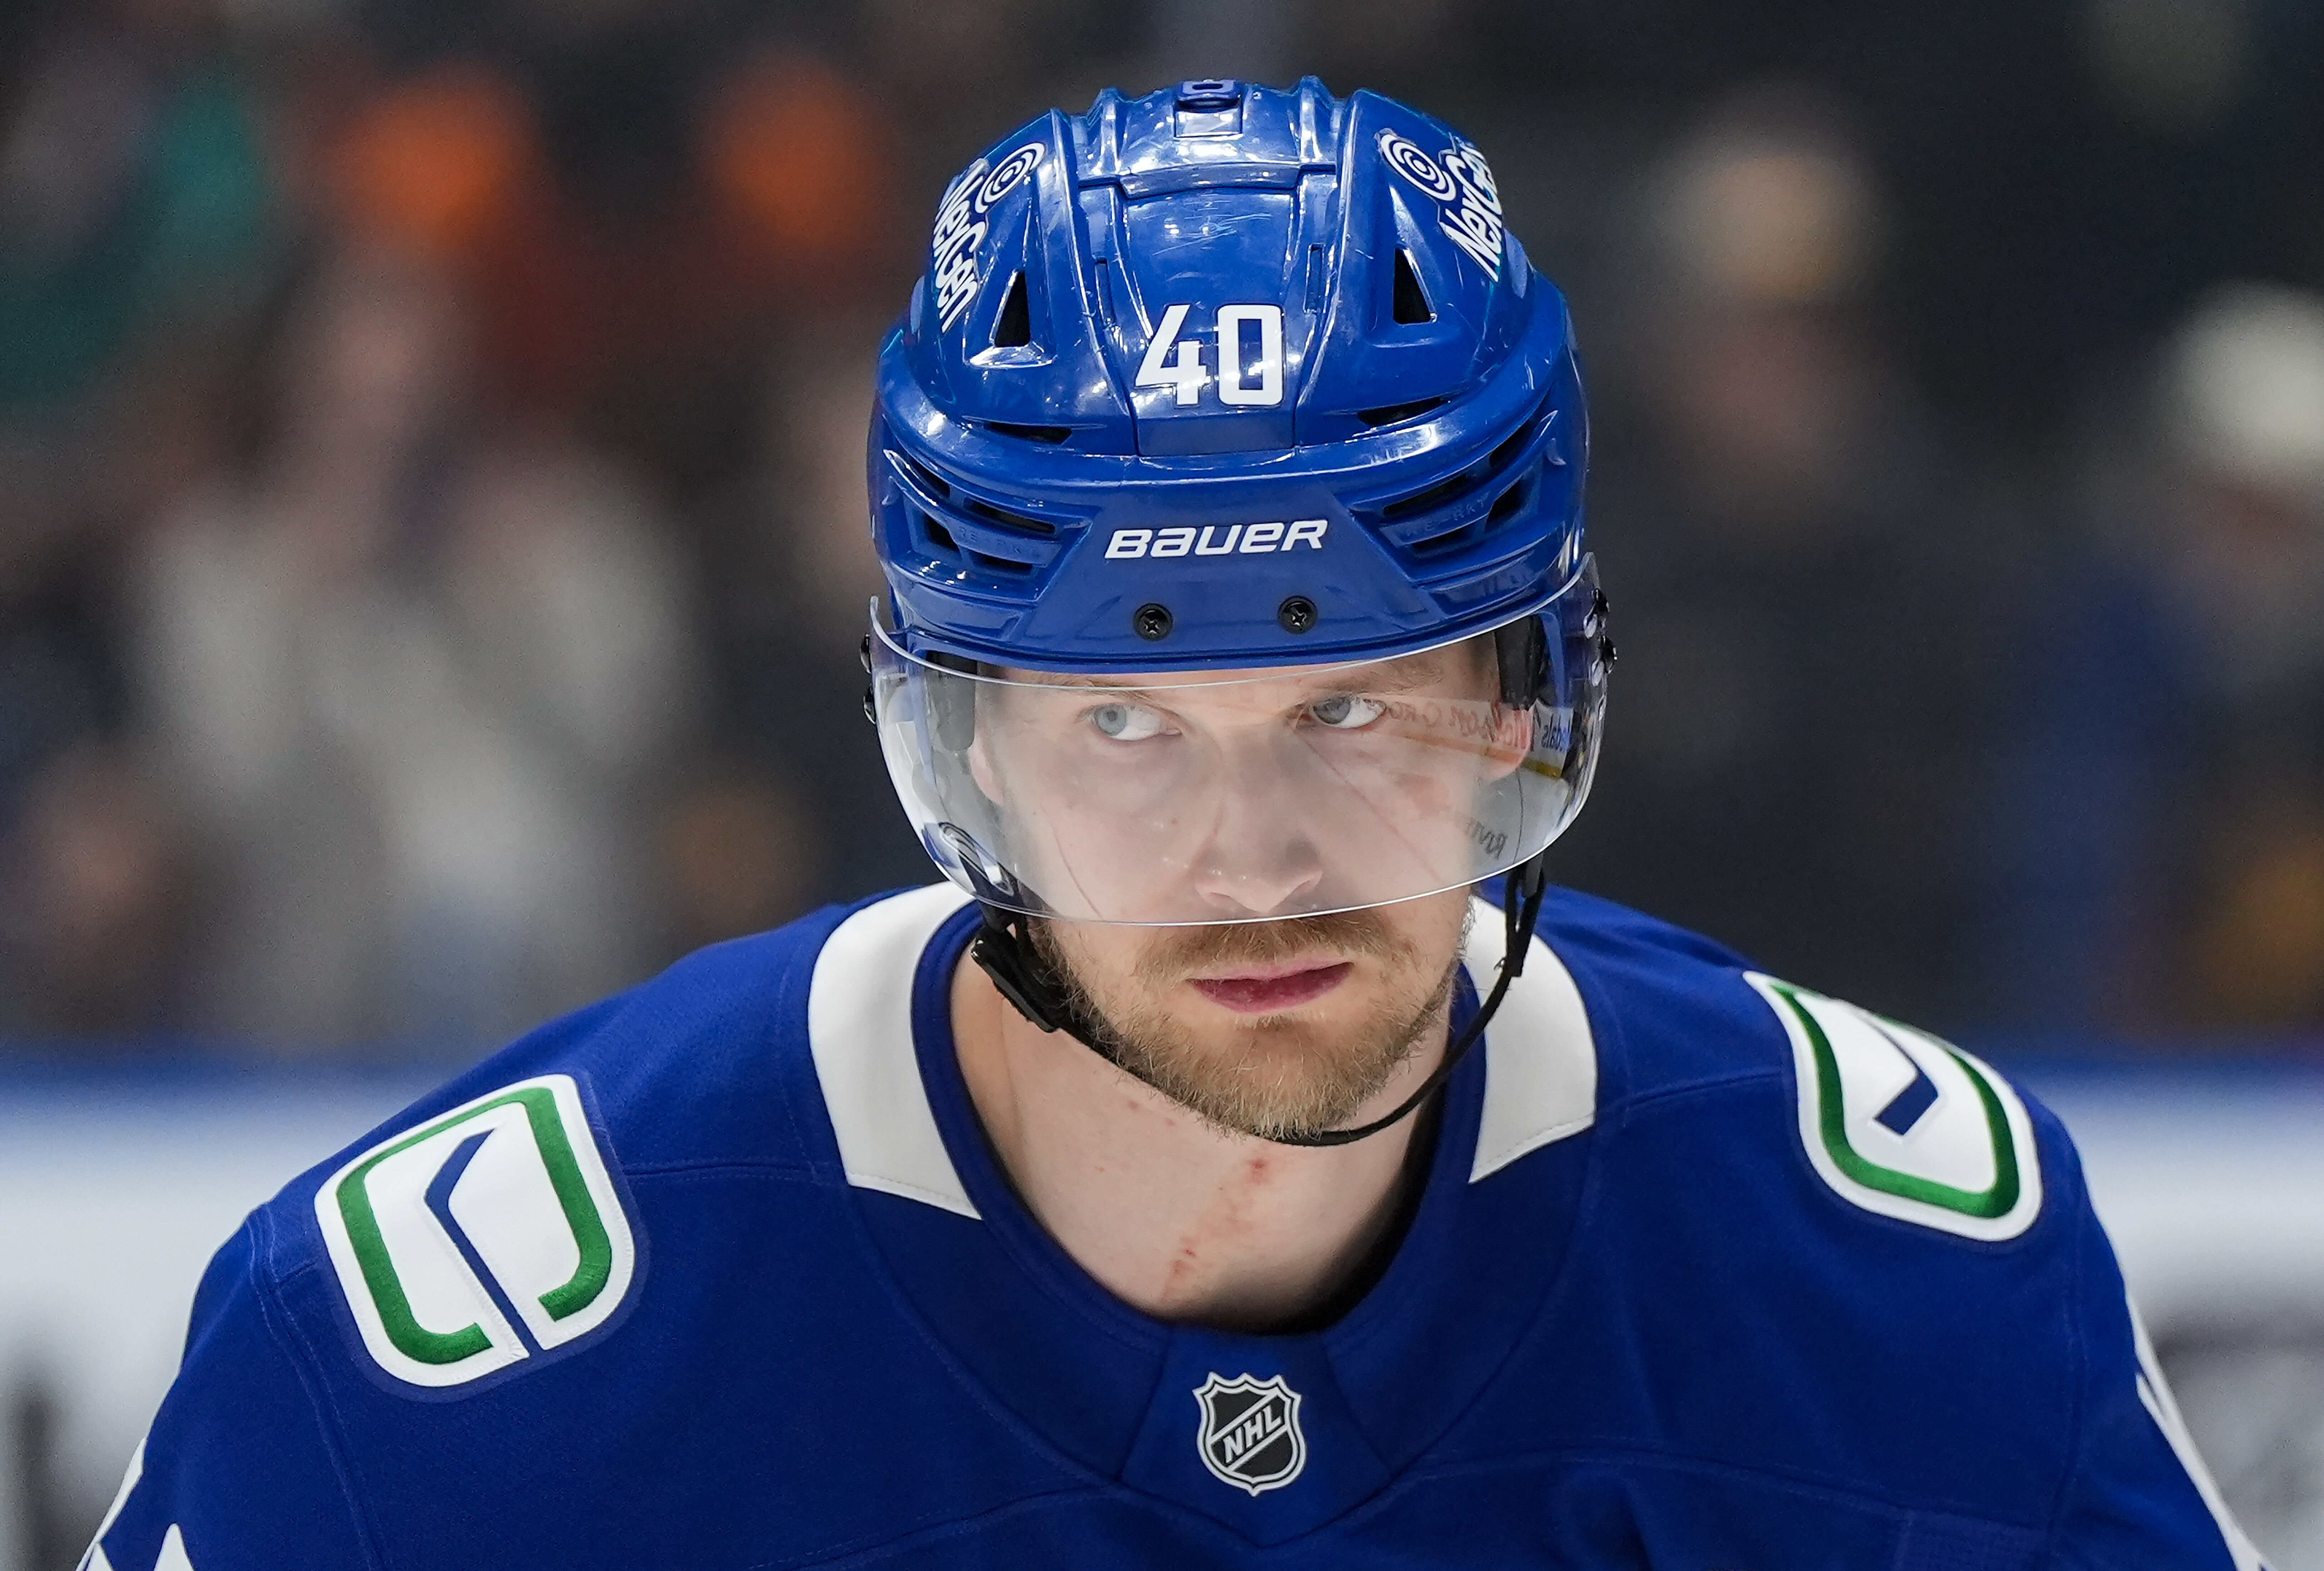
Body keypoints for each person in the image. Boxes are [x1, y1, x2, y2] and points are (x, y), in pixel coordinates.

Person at [84, 80, 2265, 1570]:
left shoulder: (1891, 1283)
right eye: (1127, 723)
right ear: (969, 746)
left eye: (1351, 705)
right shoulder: (429, 1385)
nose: (1255, 863)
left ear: (1528, 695)